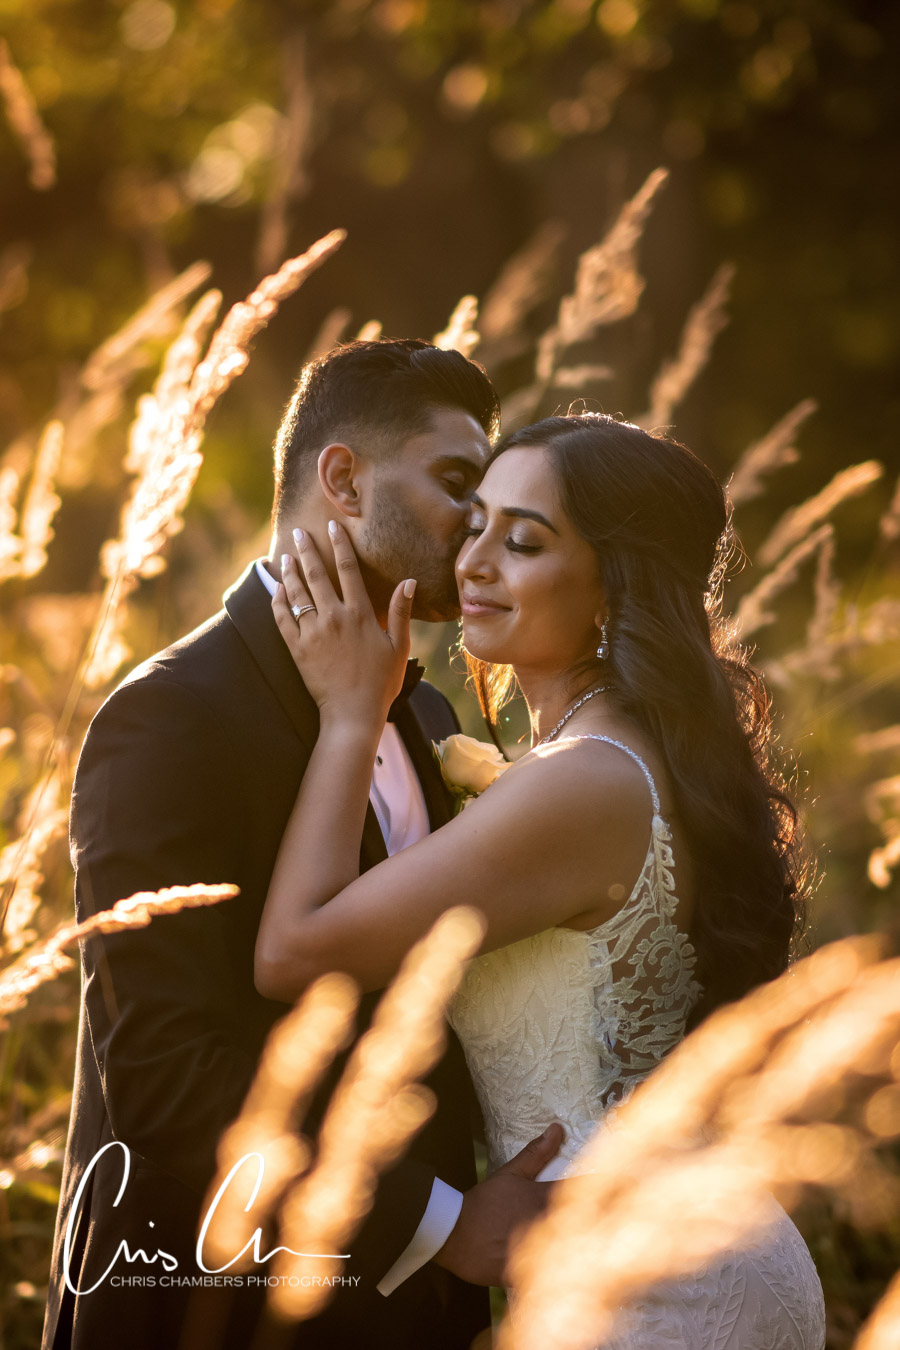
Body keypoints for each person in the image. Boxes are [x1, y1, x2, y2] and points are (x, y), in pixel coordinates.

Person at [256, 412, 827, 1348]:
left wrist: (351, 715)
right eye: (473, 523)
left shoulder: (584, 781)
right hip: (627, 1250)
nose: (473, 561)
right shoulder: (611, 753)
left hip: (655, 1288)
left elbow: (295, 951)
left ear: (613, 584)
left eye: (522, 541)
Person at [43, 339, 566, 1350]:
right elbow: (163, 1076)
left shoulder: (425, 713)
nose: (479, 523)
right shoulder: (169, 715)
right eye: (458, 481)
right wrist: (446, 1224)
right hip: (208, 1310)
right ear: (342, 478)